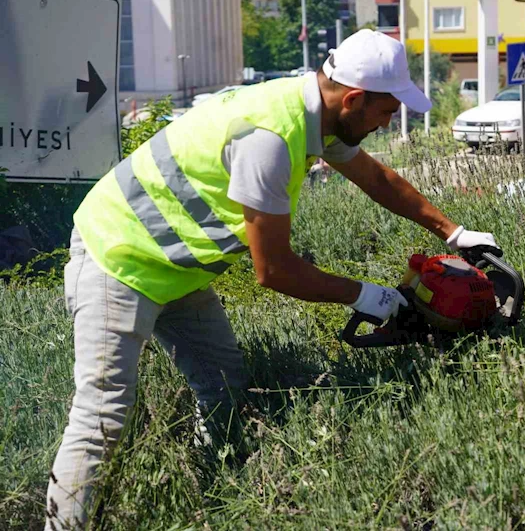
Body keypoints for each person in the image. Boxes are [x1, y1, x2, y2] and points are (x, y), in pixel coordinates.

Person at [45, 29, 499, 530]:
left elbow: (377, 179)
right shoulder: (269, 138)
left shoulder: (315, 117)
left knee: (223, 386)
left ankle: (202, 500)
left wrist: (455, 233)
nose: (389, 121)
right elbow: (274, 270)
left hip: (174, 269)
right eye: (387, 110)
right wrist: (372, 297)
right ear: (352, 99)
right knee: (103, 419)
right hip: (118, 257)